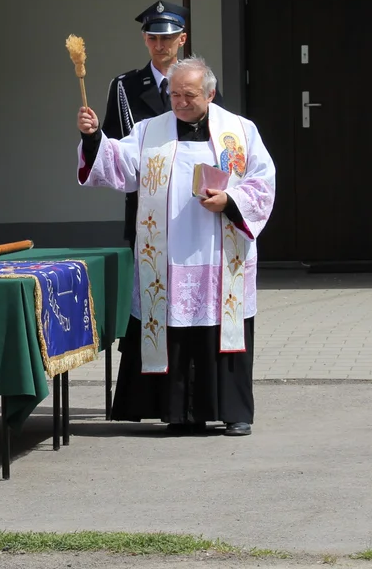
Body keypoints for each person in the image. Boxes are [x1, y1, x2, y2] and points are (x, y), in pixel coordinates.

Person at [77, 56, 275, 436]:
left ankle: (235, 413)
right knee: (175, 332)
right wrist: (92, 138)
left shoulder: (240, 131)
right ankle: (181, 413)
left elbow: (263, 182)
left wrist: (230, 202)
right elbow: (118, 165)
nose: (180, 102)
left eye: (189, 94)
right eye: (174, 94)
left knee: (223, 331)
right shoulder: (151, 130)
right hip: (166, 254)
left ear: (210, 93)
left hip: (221, 251)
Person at [101, 0, 224, 249]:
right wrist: (92, 135)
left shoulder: (202, 82)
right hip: (147, 204)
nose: (160, 46)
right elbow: (112, 147)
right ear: (144, 39)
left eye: (167, 38)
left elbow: (220, 140)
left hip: (194, 202)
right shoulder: (125, 86)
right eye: (153, 38)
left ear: (182, 39)